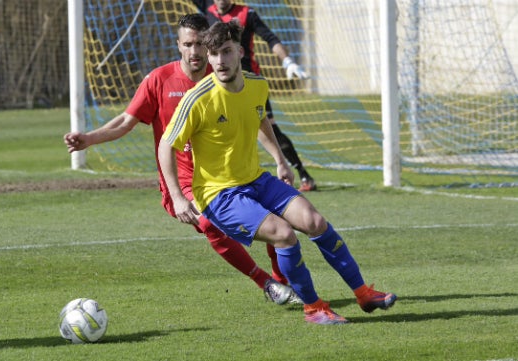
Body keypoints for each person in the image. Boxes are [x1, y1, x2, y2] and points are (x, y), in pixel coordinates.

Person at [158, 21, 396, 324]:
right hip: (219, 195)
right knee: (284, 235)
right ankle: (314, 308)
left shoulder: (257, 85)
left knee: (315, 221)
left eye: (227, 52)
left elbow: (260, 119)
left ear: (240, 52)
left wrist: (280, 160)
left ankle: (363, 293)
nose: (220, 60)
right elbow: (165, 146)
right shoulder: (197, 99)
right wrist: (178, 197)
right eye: (214, 53)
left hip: (256, 179)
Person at [64, 14, 300, 305]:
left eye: (201, 44)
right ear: (178, 45)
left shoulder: (225, 78)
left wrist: (279, 158)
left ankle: (283, 280)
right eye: (188, 44)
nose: (195, 52)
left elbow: (256, 119)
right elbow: (126, 121)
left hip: (231, 176)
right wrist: (89, 138)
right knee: (209, 225)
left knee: (274, 220)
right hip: (186, 183)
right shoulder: (159, 80)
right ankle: (264, 282)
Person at [191, 0, 317, 192]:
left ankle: (302, 173)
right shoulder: (207, 11)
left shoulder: (247, 14)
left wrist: (288, 62)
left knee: (270, 127)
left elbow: (270, 38)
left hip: (248, 82)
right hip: (220, 85)